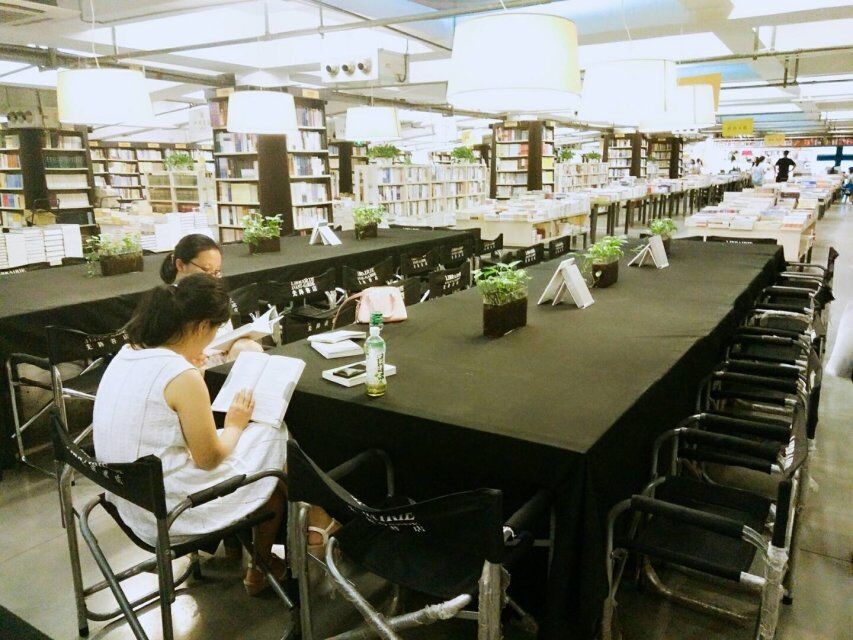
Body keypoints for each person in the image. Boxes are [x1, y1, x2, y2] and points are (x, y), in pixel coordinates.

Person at [93, 274, 335, 595]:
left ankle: (277, 545)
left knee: (265, 465)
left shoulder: (128, 353)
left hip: (125, 495)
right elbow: (208, 459)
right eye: (214, 331)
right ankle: (305, 528)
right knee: (273, 435)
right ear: (201, 326)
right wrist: (234, 424)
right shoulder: (181, 375)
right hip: (168, 513)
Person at [161, 234, 263, 366]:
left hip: (221, 358)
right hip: (191, 365)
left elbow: (226, 334)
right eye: (206, 270)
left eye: (216, 272)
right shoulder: (169, 302)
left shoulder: (215, 295)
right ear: (180, 265)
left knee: (249, 348)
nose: (212, 278)